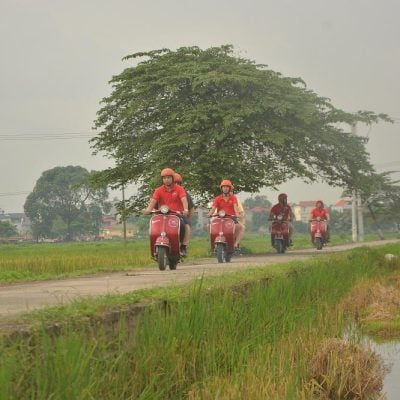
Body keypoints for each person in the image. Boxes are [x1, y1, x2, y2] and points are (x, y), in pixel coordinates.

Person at [143, 168, 190, 255]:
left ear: (172, 178)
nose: (166, 180)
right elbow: (153, 201)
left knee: (185, 226)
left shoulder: (179, 189)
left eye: (168, 177)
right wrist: (148, 210)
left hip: (177, 215)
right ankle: (155, 246)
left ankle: (183, 246)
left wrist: (186, 209)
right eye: (164, 178)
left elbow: (184, 200)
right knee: (153, 227)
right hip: (162, 215)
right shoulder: (158, 190)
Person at [208, 179, 244, 250]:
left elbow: (235, 207)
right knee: (209, 226)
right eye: (224, 187)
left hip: (231, 218)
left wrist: (237, 215)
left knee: (240, 227)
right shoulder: (217, 198)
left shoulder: (233, 198)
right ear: (221, 188)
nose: (225, 188)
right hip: (219, 218)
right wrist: (209, 214)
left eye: (227, 187)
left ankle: (236, 244)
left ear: (230, 188)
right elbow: (213, 208)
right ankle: (213, 244)